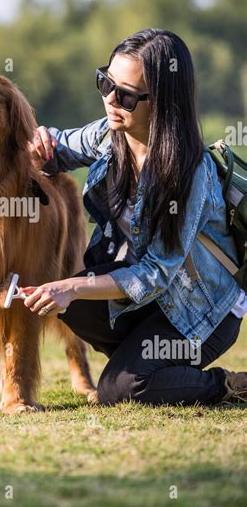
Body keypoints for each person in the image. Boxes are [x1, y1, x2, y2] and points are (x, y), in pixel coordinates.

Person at [23, 28, 246, 406]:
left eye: (125, 95)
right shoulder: (111, 133)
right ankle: (145, 365)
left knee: (121, 390)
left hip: (202, 312)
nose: (110, 99)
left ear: (161, 100)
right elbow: (58, 148)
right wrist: (37, 140)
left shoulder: (188, 172)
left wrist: (72, 286)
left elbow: (155, 274)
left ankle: (226, 386)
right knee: (75, 306)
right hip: (154, 304)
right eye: (105, 82)